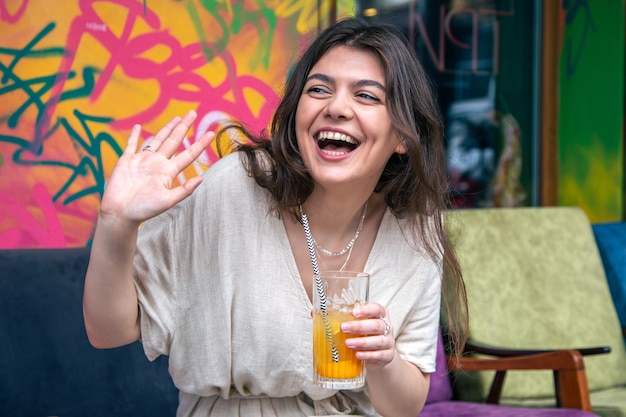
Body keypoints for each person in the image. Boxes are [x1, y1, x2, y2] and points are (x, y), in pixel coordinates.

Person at [83, 17, 468, 417]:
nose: (336, 107)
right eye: (318, 89)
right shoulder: (233, 189)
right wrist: (115, 222)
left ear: (403, 137)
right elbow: (107, 331)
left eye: (367, 96)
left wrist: (383, 358)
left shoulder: (417, 230)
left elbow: (403, 408)